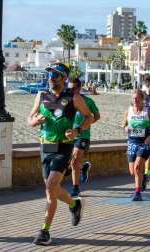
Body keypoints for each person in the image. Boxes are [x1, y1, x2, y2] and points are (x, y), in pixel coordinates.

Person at [28, 63, 93, 246]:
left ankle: (45, 232)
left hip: (64, 148)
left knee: (50, 188)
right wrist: (34, 121)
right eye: (50, 74)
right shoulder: (41, 96)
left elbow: (89, 117)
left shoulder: (74, 98)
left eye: (56, 75)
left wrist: (77, 130)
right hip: (45, 147)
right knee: (54, 191)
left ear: (64, 79)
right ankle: (74, 205)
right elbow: (29, 118)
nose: (51, 78)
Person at [122, 90, 150, 201]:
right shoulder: (128, 111)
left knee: (138, 167)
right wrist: (125, 128)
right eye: (133, 98)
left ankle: (137, 193)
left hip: (144, 143)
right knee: (132, 171)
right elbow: (123, 124)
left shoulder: (147, 112)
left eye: (137, 98)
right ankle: (143, 178)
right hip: (132, 143)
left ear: (142, 99)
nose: (135, 100)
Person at [68, 77, 100, 197]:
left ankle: (75, 188)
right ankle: (84, 167)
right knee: (70, 163)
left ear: (79, 88)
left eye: (74, 88)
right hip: (67, 135)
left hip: (82, 136)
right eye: (69, 88)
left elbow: (96, 116)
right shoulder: (65, 101)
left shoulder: (88, 101)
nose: (71, 91)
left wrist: (86, 125)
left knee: (74, 160)